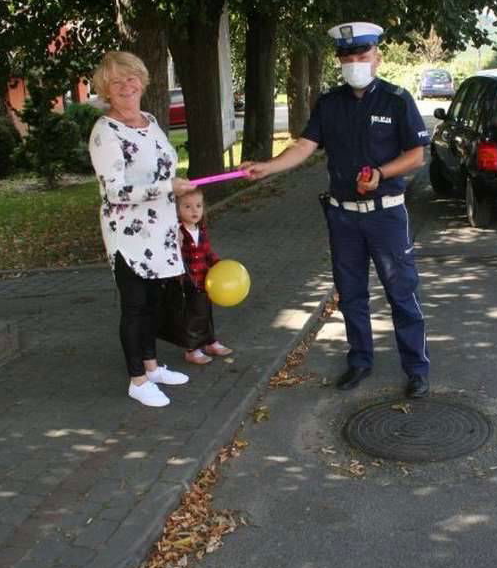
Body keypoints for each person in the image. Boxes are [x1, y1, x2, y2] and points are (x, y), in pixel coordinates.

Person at [241, 22, 431, 398]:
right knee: (351, 293)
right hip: (343, 217)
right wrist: (269, 166)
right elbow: (303, 146)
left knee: (402, 293)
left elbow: (416, 155)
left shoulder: (397, 100)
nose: (355, 62)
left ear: (377, 57)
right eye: (348, 57)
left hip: (385, 215)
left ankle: (417, 368)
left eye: (362, 55)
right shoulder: (330, 104)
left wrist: (380, 173)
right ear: (340, 62)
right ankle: (360, 361)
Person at [88, 51, 196, 408]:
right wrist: (167, 189)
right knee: (134, 307)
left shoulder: (150, 120)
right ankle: (137, 379)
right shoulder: (105, 132)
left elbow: (163, 170)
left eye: (131, 78)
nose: (126, 86)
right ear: (105, 89)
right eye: (116, 81)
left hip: (160, 231)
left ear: (142, 81)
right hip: (129, 237)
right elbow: (115, 191)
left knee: (152, 304)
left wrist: (176, 213)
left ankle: (151, 368)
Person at [175, 188, 233, 365]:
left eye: (198, 206)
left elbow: (208, 252)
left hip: (206, 280)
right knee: (193, 315)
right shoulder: (178, 232)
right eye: (188, 206)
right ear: (177, 210)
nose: (194, 211)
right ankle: (192, 349)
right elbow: (175, 257)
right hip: (189, 281)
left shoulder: (201, 229)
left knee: (206, 312)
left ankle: (210, 342)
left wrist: (219, 264)